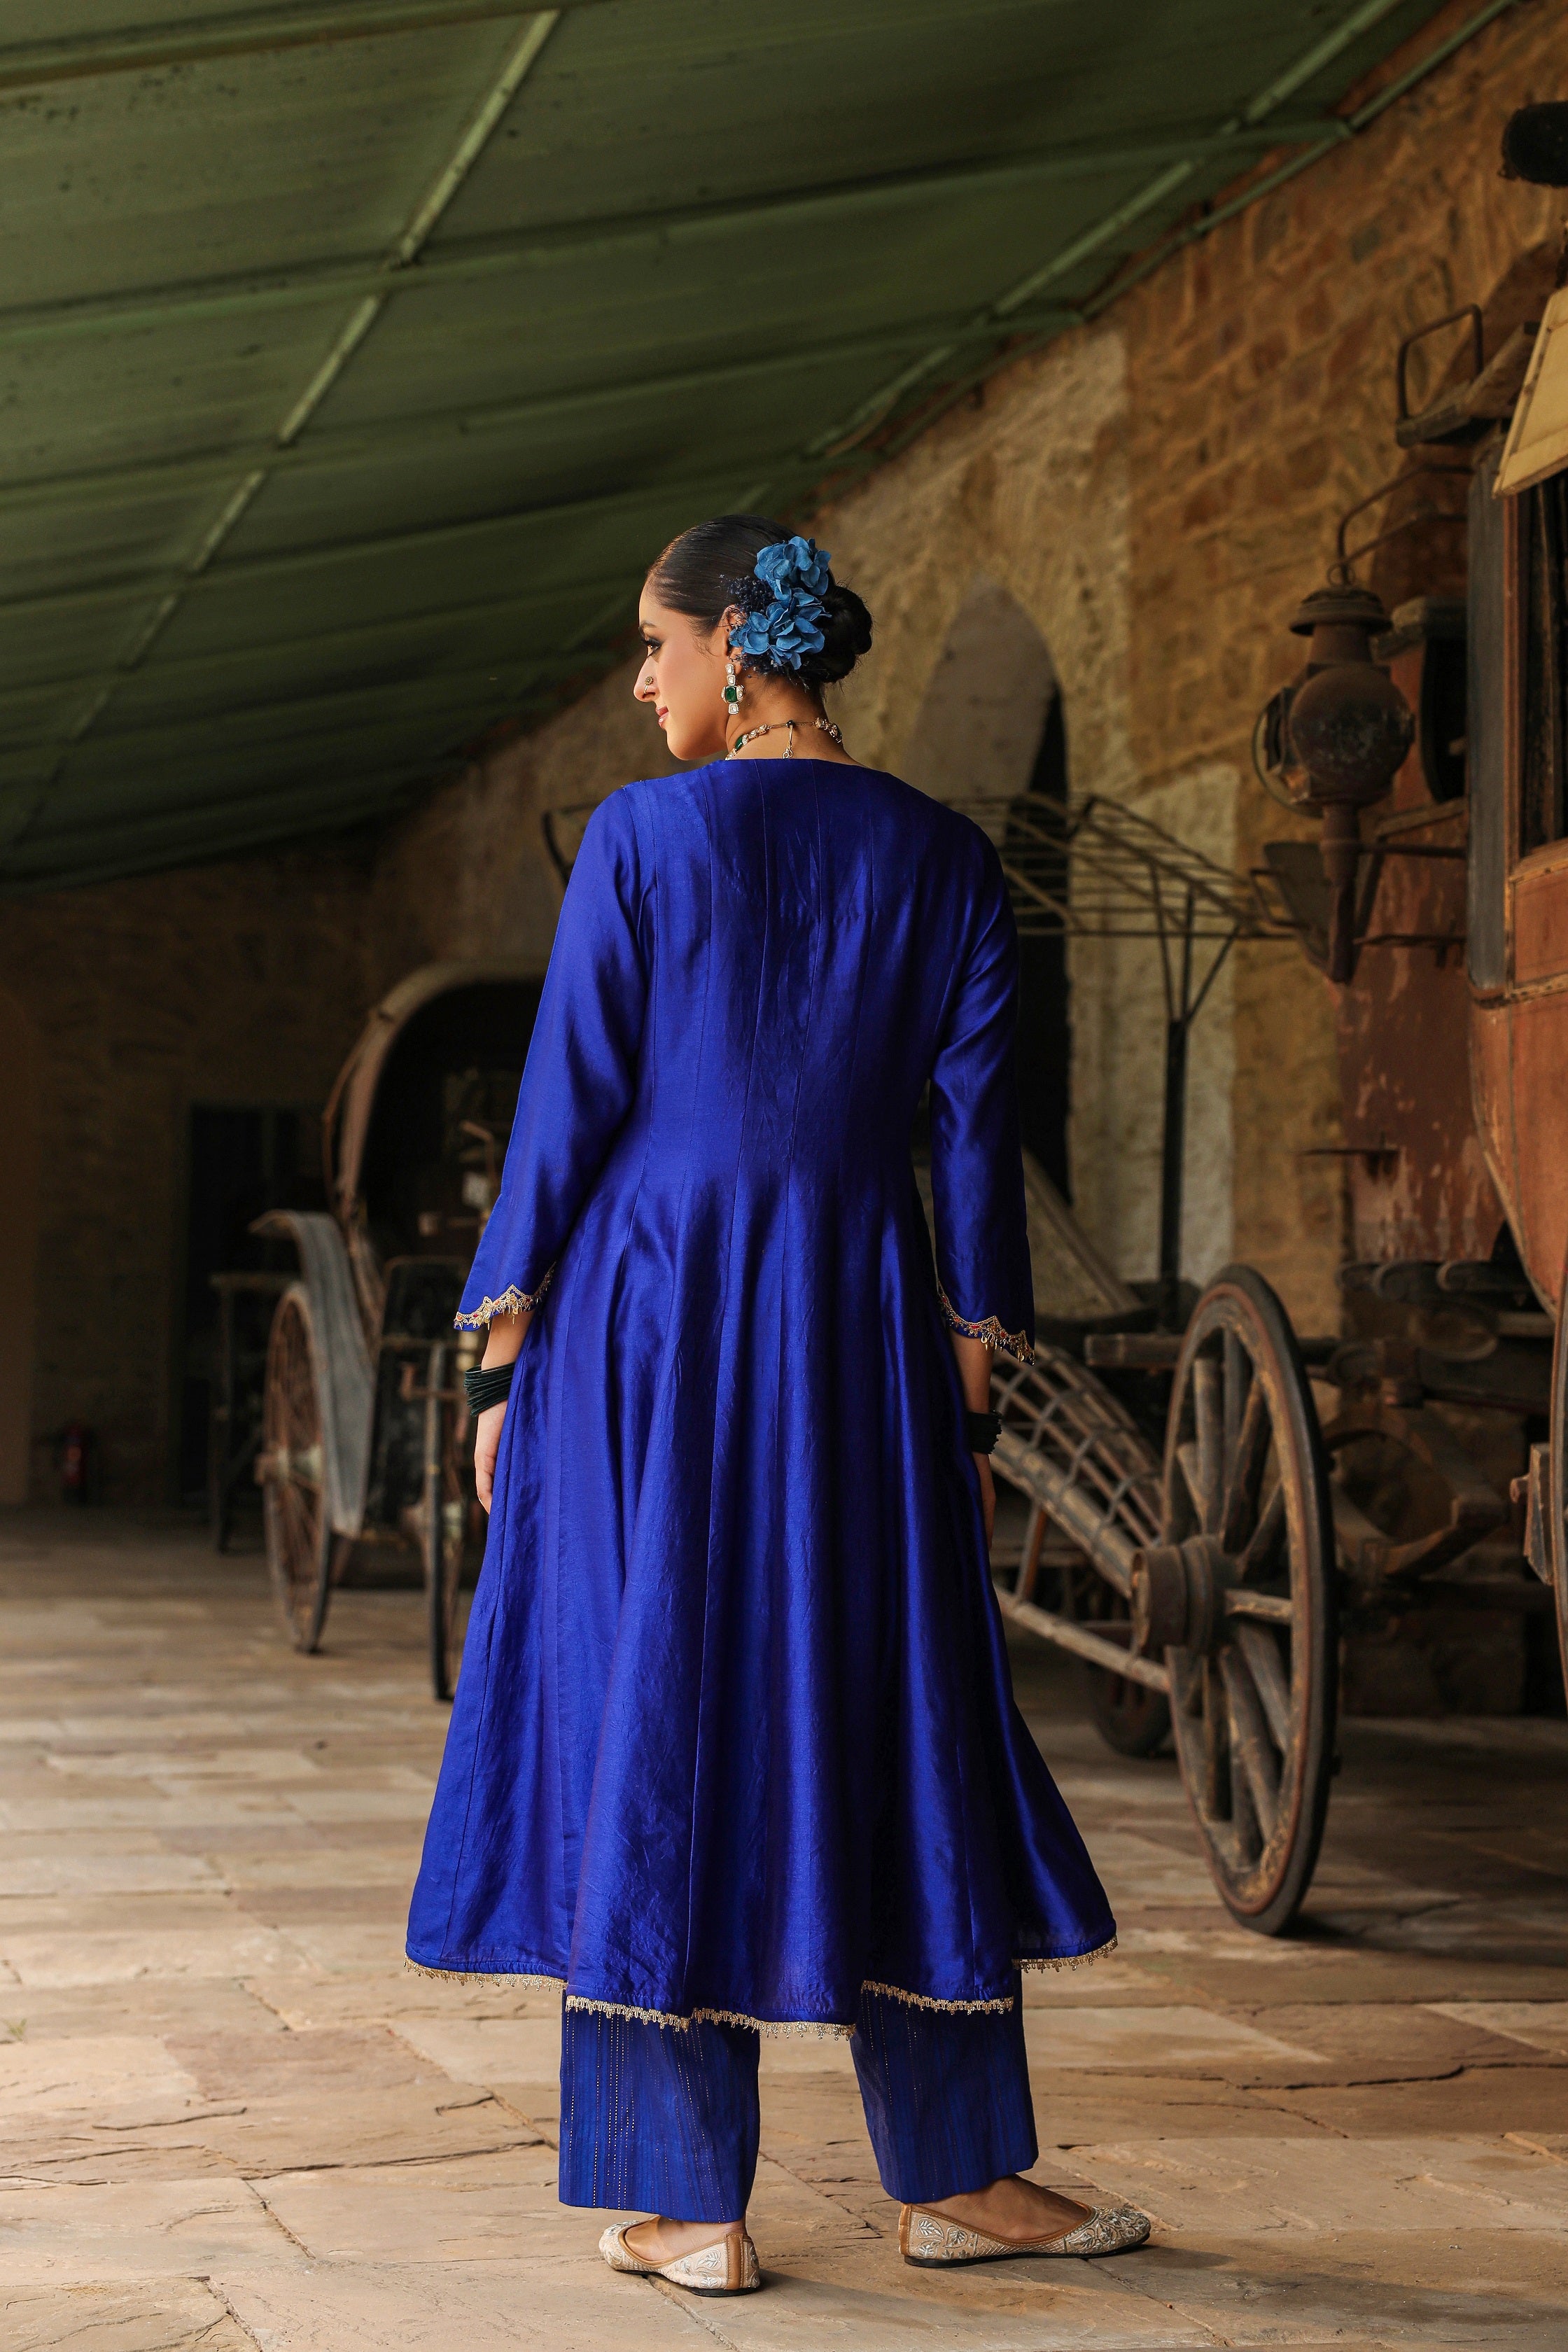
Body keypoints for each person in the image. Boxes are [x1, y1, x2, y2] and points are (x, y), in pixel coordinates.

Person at [406, 519, 1148, 2294]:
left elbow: (568, 1111)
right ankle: (958, 2179)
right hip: (859, 1325)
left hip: (643, 1326)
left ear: (736, 645)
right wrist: (967, 1413)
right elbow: (975, 1155)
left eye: (656, 647)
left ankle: (692, 2208)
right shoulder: (946, 858)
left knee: (651, 1702)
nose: (642, 681)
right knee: (902, 1708)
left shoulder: (641, 839)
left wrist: (502, 1361)